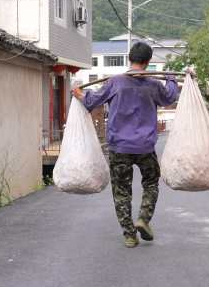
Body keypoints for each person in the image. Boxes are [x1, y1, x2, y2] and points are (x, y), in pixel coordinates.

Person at [72, 42, 179, 248]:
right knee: (150, 183)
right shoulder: (154, 85)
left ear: (129, 59)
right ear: (147, 62)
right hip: (145, 147)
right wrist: (171, 79)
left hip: (119, 147)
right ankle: (144, 218)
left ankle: (129, 235)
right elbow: (170, 97)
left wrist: (79, 94)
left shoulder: (115, 83)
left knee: (121, 191)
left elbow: (91, 100)